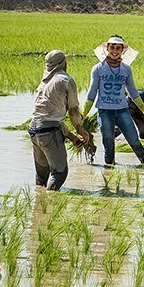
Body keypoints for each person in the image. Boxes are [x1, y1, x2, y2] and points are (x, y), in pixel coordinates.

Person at [82, 35, 144, 166]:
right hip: (104, 111)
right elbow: (92, 92)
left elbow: (133, 92)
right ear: (107, 48)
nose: (115, 51)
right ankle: (109, 170)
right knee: (108, 143)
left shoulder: (126, 69)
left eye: (118, 48)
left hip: (122, 111)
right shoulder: (98, 69)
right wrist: (83, 113)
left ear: (122, 51)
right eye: (112, 47)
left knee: (134, 140)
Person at [28, 50, 90, 190]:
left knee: (42, 175)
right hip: (49, 132)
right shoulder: (66, 80)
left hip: (34, 130)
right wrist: (81, 130)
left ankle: (39, 204)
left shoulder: (44, 82)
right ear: (63, 63)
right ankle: (51, 202)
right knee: (59, 173)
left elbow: (49, 117)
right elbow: (73, 111)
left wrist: (71, 136)